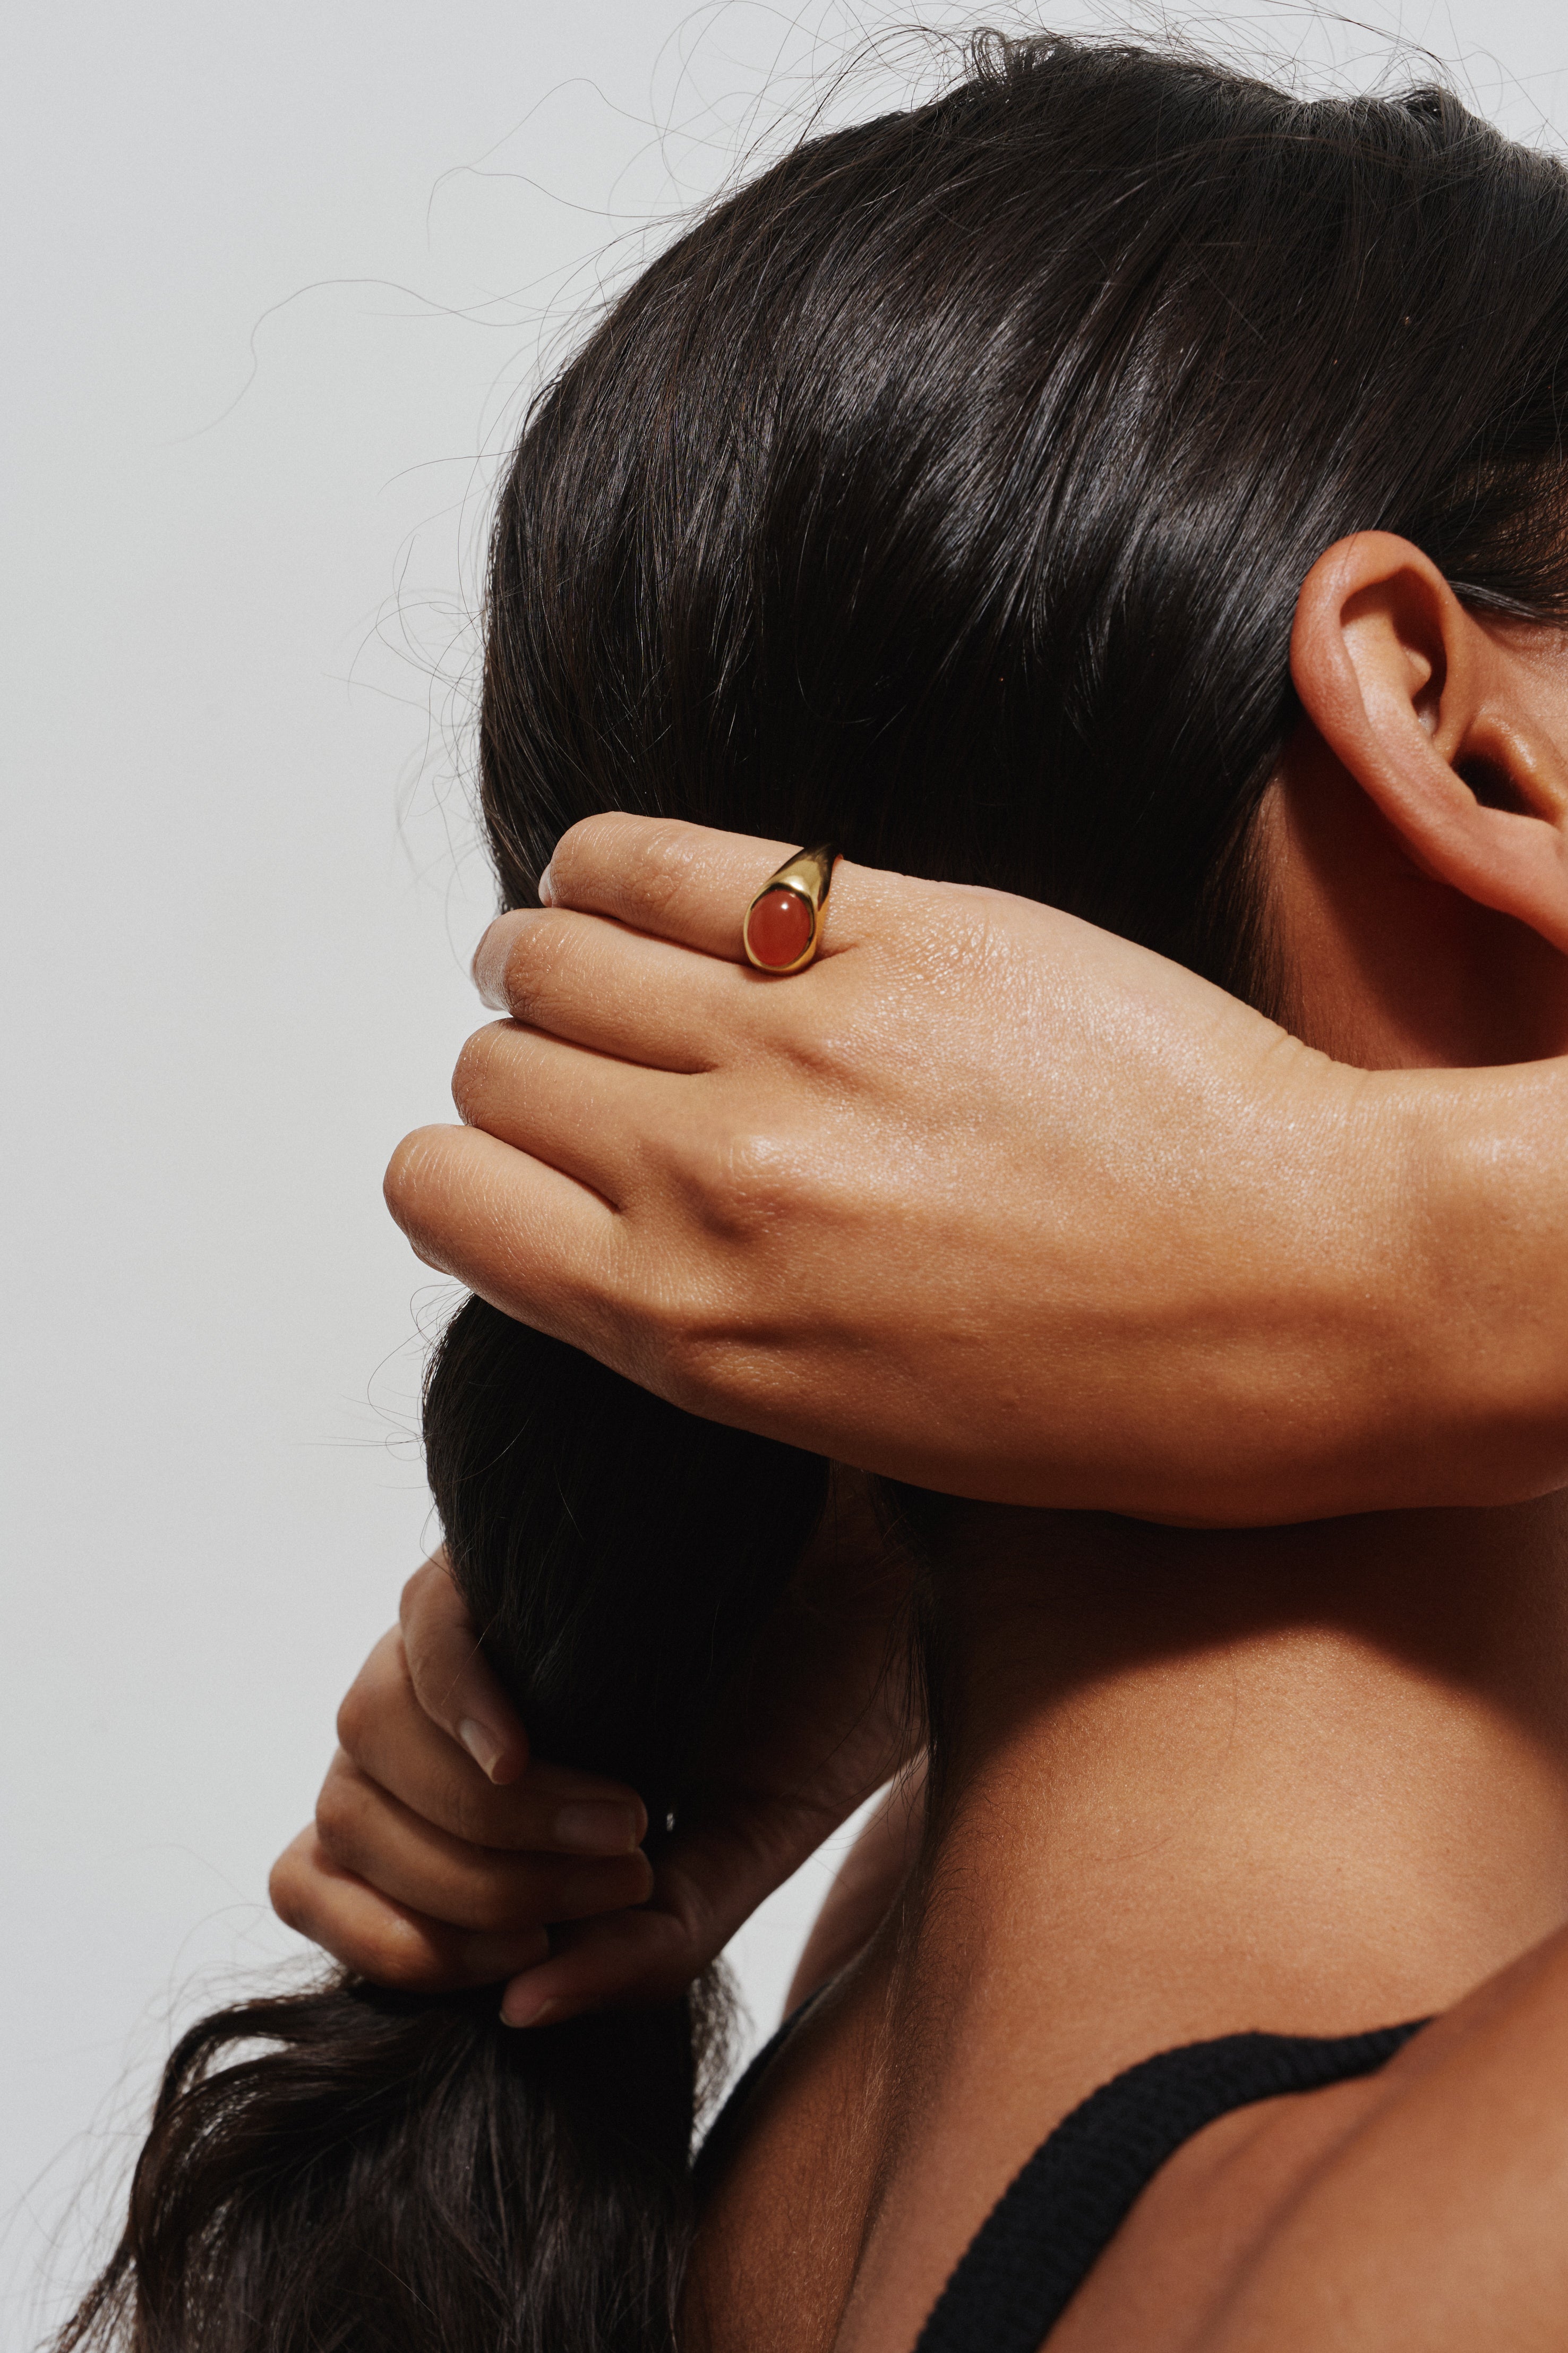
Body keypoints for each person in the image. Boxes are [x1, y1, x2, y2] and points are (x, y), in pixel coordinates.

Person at [64, 31, 1568, 2352]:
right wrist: (1410, 1254)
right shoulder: (1479, 2217)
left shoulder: (856, 2061)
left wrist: (869, 1521)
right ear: (1473, 738)